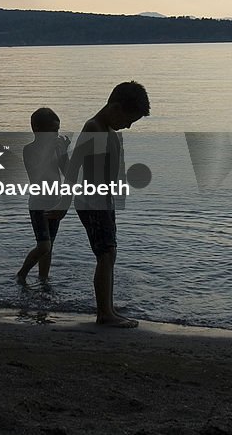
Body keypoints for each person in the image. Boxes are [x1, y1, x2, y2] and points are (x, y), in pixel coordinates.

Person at [67, 81, 150, 328]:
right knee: (106, 253)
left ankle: (108, 307)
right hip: (92, 202)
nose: (129, 125)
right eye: (129, 119)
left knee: (109, 253)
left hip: (103, 201)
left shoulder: (109, 132)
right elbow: (73, 168)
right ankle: (104, 313)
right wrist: (61, 204)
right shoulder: (93, 128)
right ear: (115, 108)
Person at [16, 107, 71, 284]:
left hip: (55, 202)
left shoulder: (56, 149)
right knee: (44, 245)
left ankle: (43, 279)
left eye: (58, 130)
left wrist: (63, 153)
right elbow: (37, 172)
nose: (56, 134)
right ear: (38, 130)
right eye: (53, 130)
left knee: (49, 247)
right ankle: (21, 275)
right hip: (38, 203)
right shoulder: (29, 150)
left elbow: (69, 173)